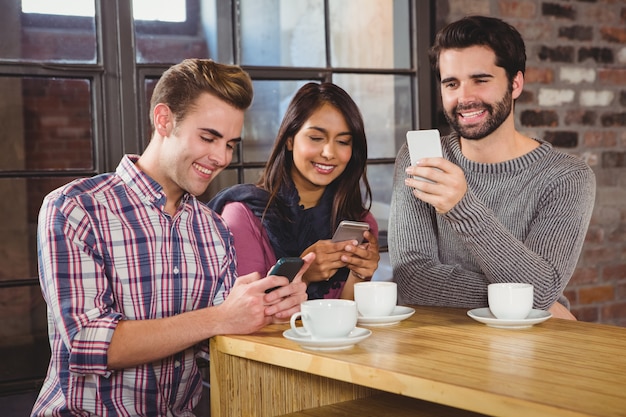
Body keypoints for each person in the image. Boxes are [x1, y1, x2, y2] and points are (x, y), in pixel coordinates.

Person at [31, 59, 312, 416]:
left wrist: (267, 310)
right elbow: (90, 343)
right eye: (208, 137)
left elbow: (215, 341)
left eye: (230, 144)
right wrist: (220, 317)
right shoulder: (76, 209)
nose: (220, 157)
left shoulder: (213, 229)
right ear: (164, 120)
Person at [388, 16, 595, 318]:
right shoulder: (419, 160)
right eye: (452, 83)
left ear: (515, 83)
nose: (465, 97)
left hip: (528, 347)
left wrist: (461, 207)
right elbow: (412, 282)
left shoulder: (566, 177)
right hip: (440, 343)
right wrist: (528, 300)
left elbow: (539, 290)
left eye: (481, 80)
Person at [209, 82, 380, 300]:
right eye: (316, 138)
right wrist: (303, 274)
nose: (329, 153)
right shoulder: (243, 215)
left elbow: (347, 318)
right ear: (290, 140)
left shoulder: (360, 222)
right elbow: (243, 314)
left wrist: (360, 274)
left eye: (343, 141)